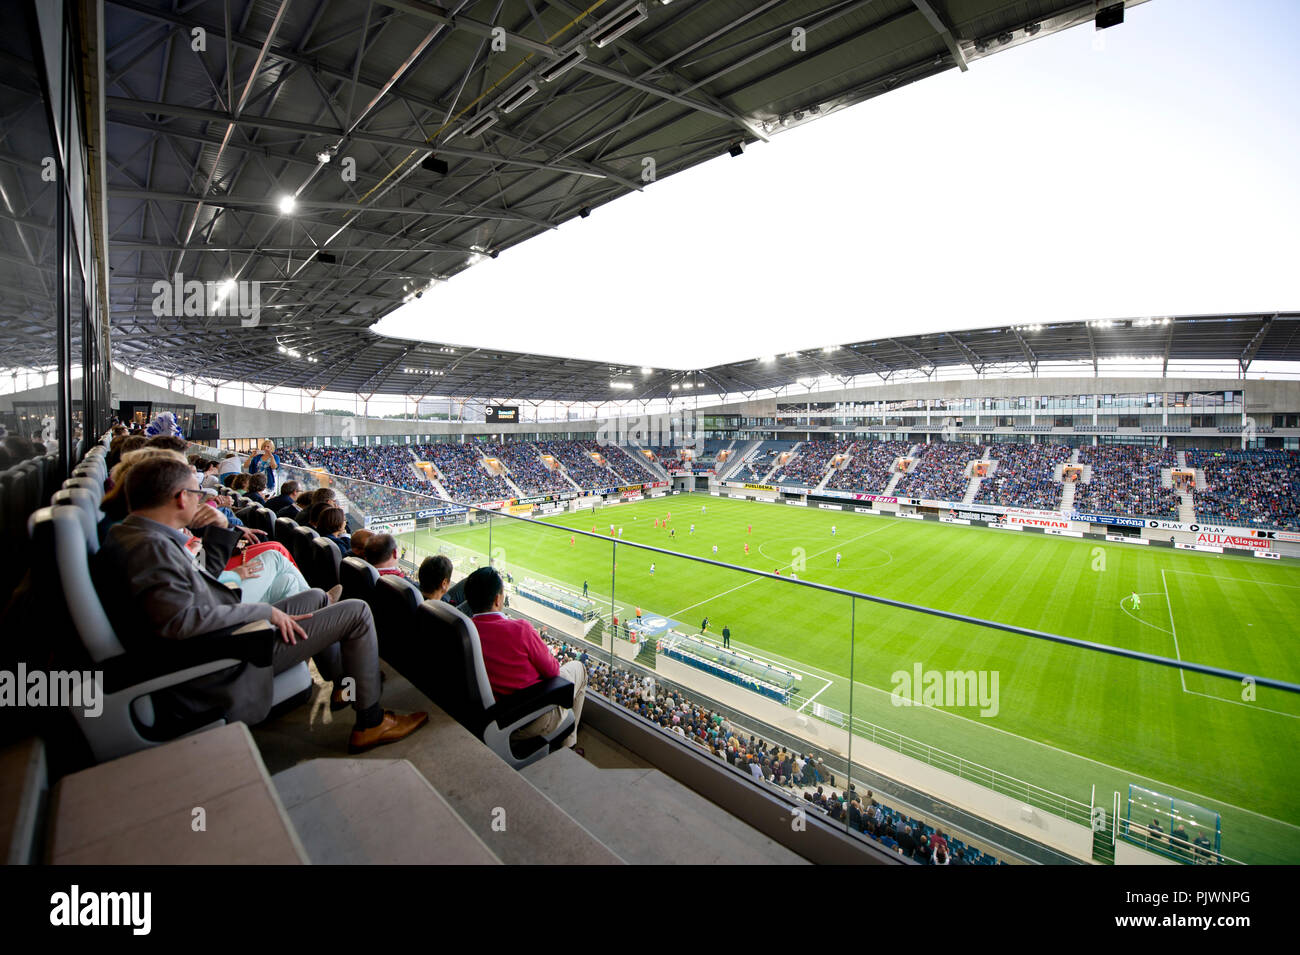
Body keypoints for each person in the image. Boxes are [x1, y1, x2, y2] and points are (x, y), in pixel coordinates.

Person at [91, 455, 427, 752]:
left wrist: (221, 531)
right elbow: (182, 624)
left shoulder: (135, 535)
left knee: (315, 596)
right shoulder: (150, 548)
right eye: (197, 494)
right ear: (181, 499)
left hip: (223, 638)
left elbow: (198, 592)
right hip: (225, 658)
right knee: (357, 611)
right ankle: (370, 721)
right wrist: (265, 611)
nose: (201, 501)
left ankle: (346, 684)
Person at [464, 567, 587, 753]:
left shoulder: (465, 632)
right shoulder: (520, 629)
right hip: (528, 718)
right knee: (579, 669)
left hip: (488, 717)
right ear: (498, 599)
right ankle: (568, 745)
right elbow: (553, 671)